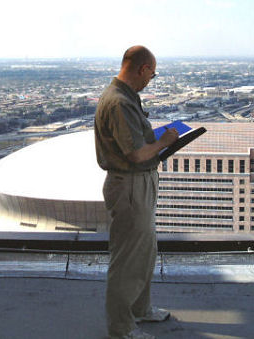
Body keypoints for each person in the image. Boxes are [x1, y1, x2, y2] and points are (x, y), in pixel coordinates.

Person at [94, 46, 179, 339]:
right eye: (152, 75)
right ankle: (121, 328)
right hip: (130, 184)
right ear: (143, 69)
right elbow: (136, 154)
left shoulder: (126, 97)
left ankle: (140, 310)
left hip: (138, 184)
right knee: (128, 258)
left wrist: (157, 141)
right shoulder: (119, 102)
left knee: (144, 252)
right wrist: (165, 141)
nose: (150, 80)